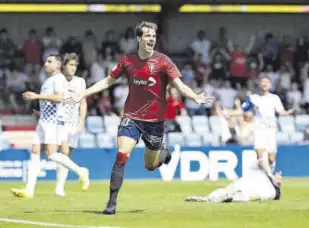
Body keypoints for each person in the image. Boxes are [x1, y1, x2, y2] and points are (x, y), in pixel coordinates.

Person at [65, 21, 213, 215]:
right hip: (131, 117)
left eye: (154, 36)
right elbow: (108, 81)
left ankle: (163, 151)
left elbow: (179, 85)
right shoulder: (127, 60)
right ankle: (111, 203)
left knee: (150, 166)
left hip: (155, 121)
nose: (151, 38)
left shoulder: (163, 61)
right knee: (122, 154)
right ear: (139, 38)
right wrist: (82, 93)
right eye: (148, 35)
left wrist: (195, 97)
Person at [11, 54, 89, 198]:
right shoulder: (50, 80)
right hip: (44, 121)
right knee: (35, 152)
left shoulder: (59, 79)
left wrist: (36, 96)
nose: (45, 63)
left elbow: (59, 98)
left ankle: (81, 171)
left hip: (54, 122)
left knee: (51, 154)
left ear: (58, 64)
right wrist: (40, 112)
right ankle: (29, 189)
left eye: (49, 61)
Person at [32, 53, 88, 196]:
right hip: (59, 122)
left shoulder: (80, 82)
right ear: (63, 65)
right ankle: (64, 184)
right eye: (71, 65)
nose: (73, 68)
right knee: (59, 153)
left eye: (75, 65)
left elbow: (83, 103)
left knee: (65, 154)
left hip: (73, 123)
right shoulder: (58, 80)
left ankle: (59, 187)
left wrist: (81, 122)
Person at [241, 76, 294, 184]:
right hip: (259, 130)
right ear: (259, 84)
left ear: (270, 85)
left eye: (267, 82)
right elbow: (243, 109)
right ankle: (268, 180)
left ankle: (268, 174)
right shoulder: (253, 97)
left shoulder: (274, 98)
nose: (264, 84)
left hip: (271, 130)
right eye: (262, 82)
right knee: (260, 158)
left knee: (271, 159)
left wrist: (286, 113)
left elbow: (280, 111)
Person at [185, 170, 282, 203]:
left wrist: (246, 197)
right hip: (243, 183)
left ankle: (209, 199)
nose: (279, 174)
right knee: (227, 190)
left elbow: (257, 196)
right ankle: (207, 198)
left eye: (280, 176)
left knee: (231, 194)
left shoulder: (272, 192)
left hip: (246, 191)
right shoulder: (264, 175)